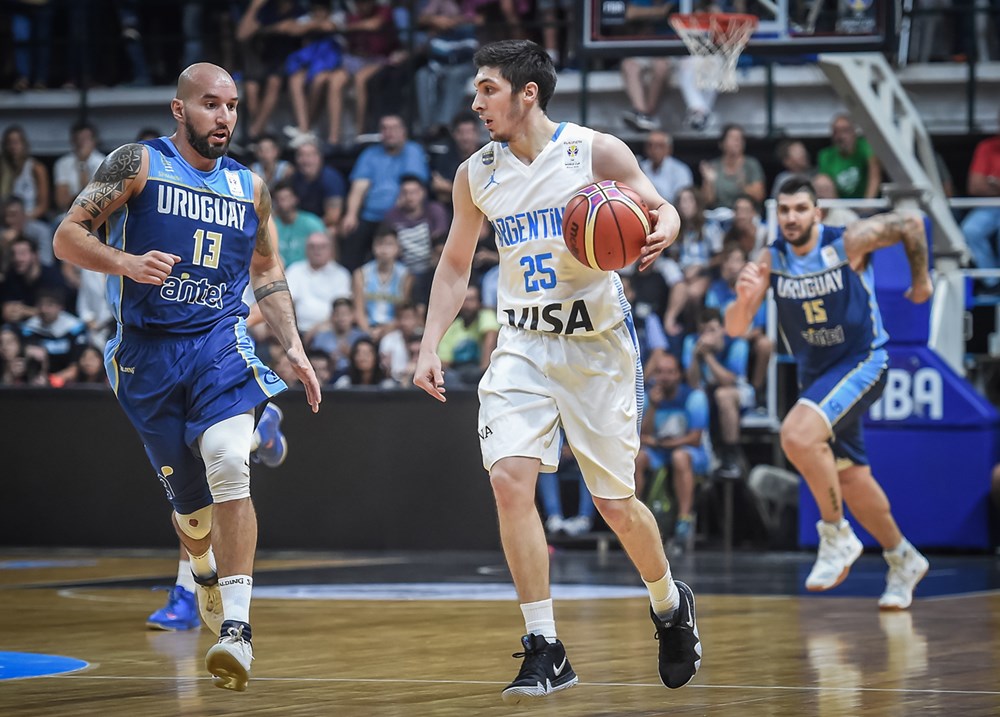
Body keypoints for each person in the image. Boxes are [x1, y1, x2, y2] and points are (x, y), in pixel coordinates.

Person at [413, 39, 701, 703]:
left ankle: (668, 602)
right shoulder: (475, 173)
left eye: (487, 89)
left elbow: (662, 205)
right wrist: (430, 341)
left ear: (526, 93)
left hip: (597, 348)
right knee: (511, 479)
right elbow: (456, 265)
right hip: (522, 344)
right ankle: (545, 644)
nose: (476, 101)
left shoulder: (592, 152)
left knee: (614, 503)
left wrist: (666, 224)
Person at [53, 63, 322, 691]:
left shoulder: (249, 188)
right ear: (180, 111)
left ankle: (237, 630)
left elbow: (268, 272)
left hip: (216, 343)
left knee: (230, 459)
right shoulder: (137, 164)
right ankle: (199, 568)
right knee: (192, 515)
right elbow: (67, 237)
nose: (224, 117)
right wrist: (125, 261)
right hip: (145, 356)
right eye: (210, 105)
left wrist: (296, 347)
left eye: (231, 106)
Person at [724, 175, 931, 609]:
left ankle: (835, 534)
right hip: (818, 374)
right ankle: (903, 557)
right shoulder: (772, 257)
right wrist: (743, 301)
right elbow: (736, 329)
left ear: (817, 213)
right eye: (784, 210)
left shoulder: (848, 242)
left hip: (863, 361)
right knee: (853, 478)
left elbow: (911, 223)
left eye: (800, 209)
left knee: (797, 435)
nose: (791, 217)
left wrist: (921, 281)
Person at [634, 351, 710, 555]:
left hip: (691, 453)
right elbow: (642, 435)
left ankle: (684, 520)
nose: (664, 377)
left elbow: (694, 438)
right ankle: (636, 519)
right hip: (660, 452)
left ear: (679, 375)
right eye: (659, 372)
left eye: (670, 372)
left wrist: (663, 442)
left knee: (679, 457)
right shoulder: (648, 397)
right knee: (638, 458)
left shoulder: (694, 397)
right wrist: (654, 407)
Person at [960, 107, 1000, 290]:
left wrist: (994, 184)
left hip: (991, 199)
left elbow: (984, 184)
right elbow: (975, 186)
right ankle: (993, 281)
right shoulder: (988, 146)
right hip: (990, 205)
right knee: (970, 230)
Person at [816, 114, 881, 201]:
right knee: (820, 181)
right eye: (836, 132)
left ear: (854, 132)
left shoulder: (864, 146)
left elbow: (875, 175)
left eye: (845, 130)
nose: (840, 136)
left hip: (867, 204)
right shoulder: (826, 155)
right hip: (840, 206)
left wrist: (867, 204)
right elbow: (826, 185)